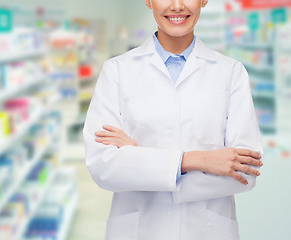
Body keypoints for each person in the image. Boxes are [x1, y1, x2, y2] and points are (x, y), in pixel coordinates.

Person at [83, 0, 263, 239]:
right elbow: (103, 167)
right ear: (148, 1)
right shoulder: (117, 71)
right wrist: (198, 160)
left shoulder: (230, 73)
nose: (177, 6)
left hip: (207, 230)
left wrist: (138, 159)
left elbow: (246, 171)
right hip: (140, 230)